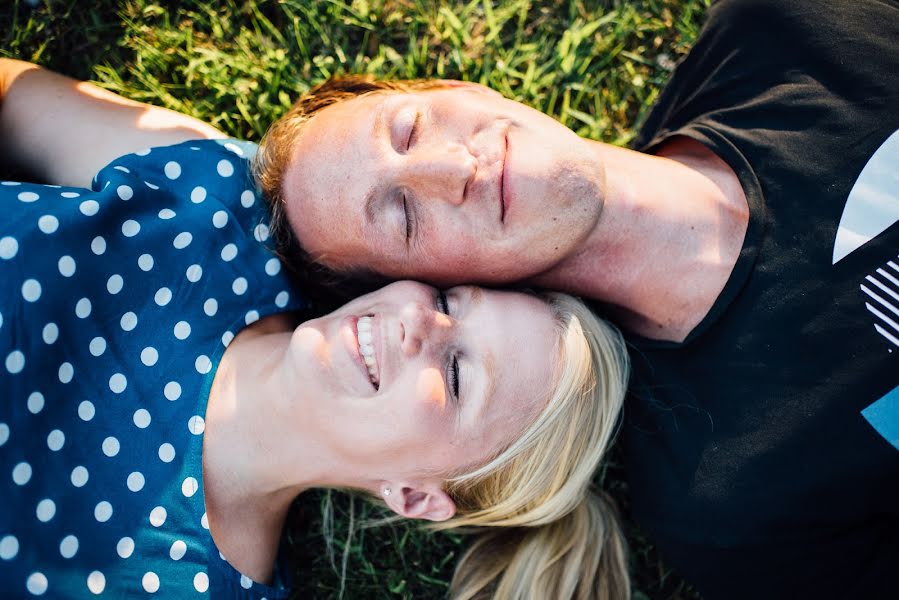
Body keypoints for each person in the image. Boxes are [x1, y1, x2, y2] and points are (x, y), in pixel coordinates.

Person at [249, 0, 899, 598]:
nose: (451, 168)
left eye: (409, 129)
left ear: (460, 90)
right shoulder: (729, 495)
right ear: (424, 292)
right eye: (403, 218)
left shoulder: (790, 28)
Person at [0, 61, 631, 598]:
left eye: (459, 374)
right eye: (446, 300)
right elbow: (15, 100)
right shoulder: (225, 211)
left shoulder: (185, 582)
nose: (417, 321)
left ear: (415, 496)